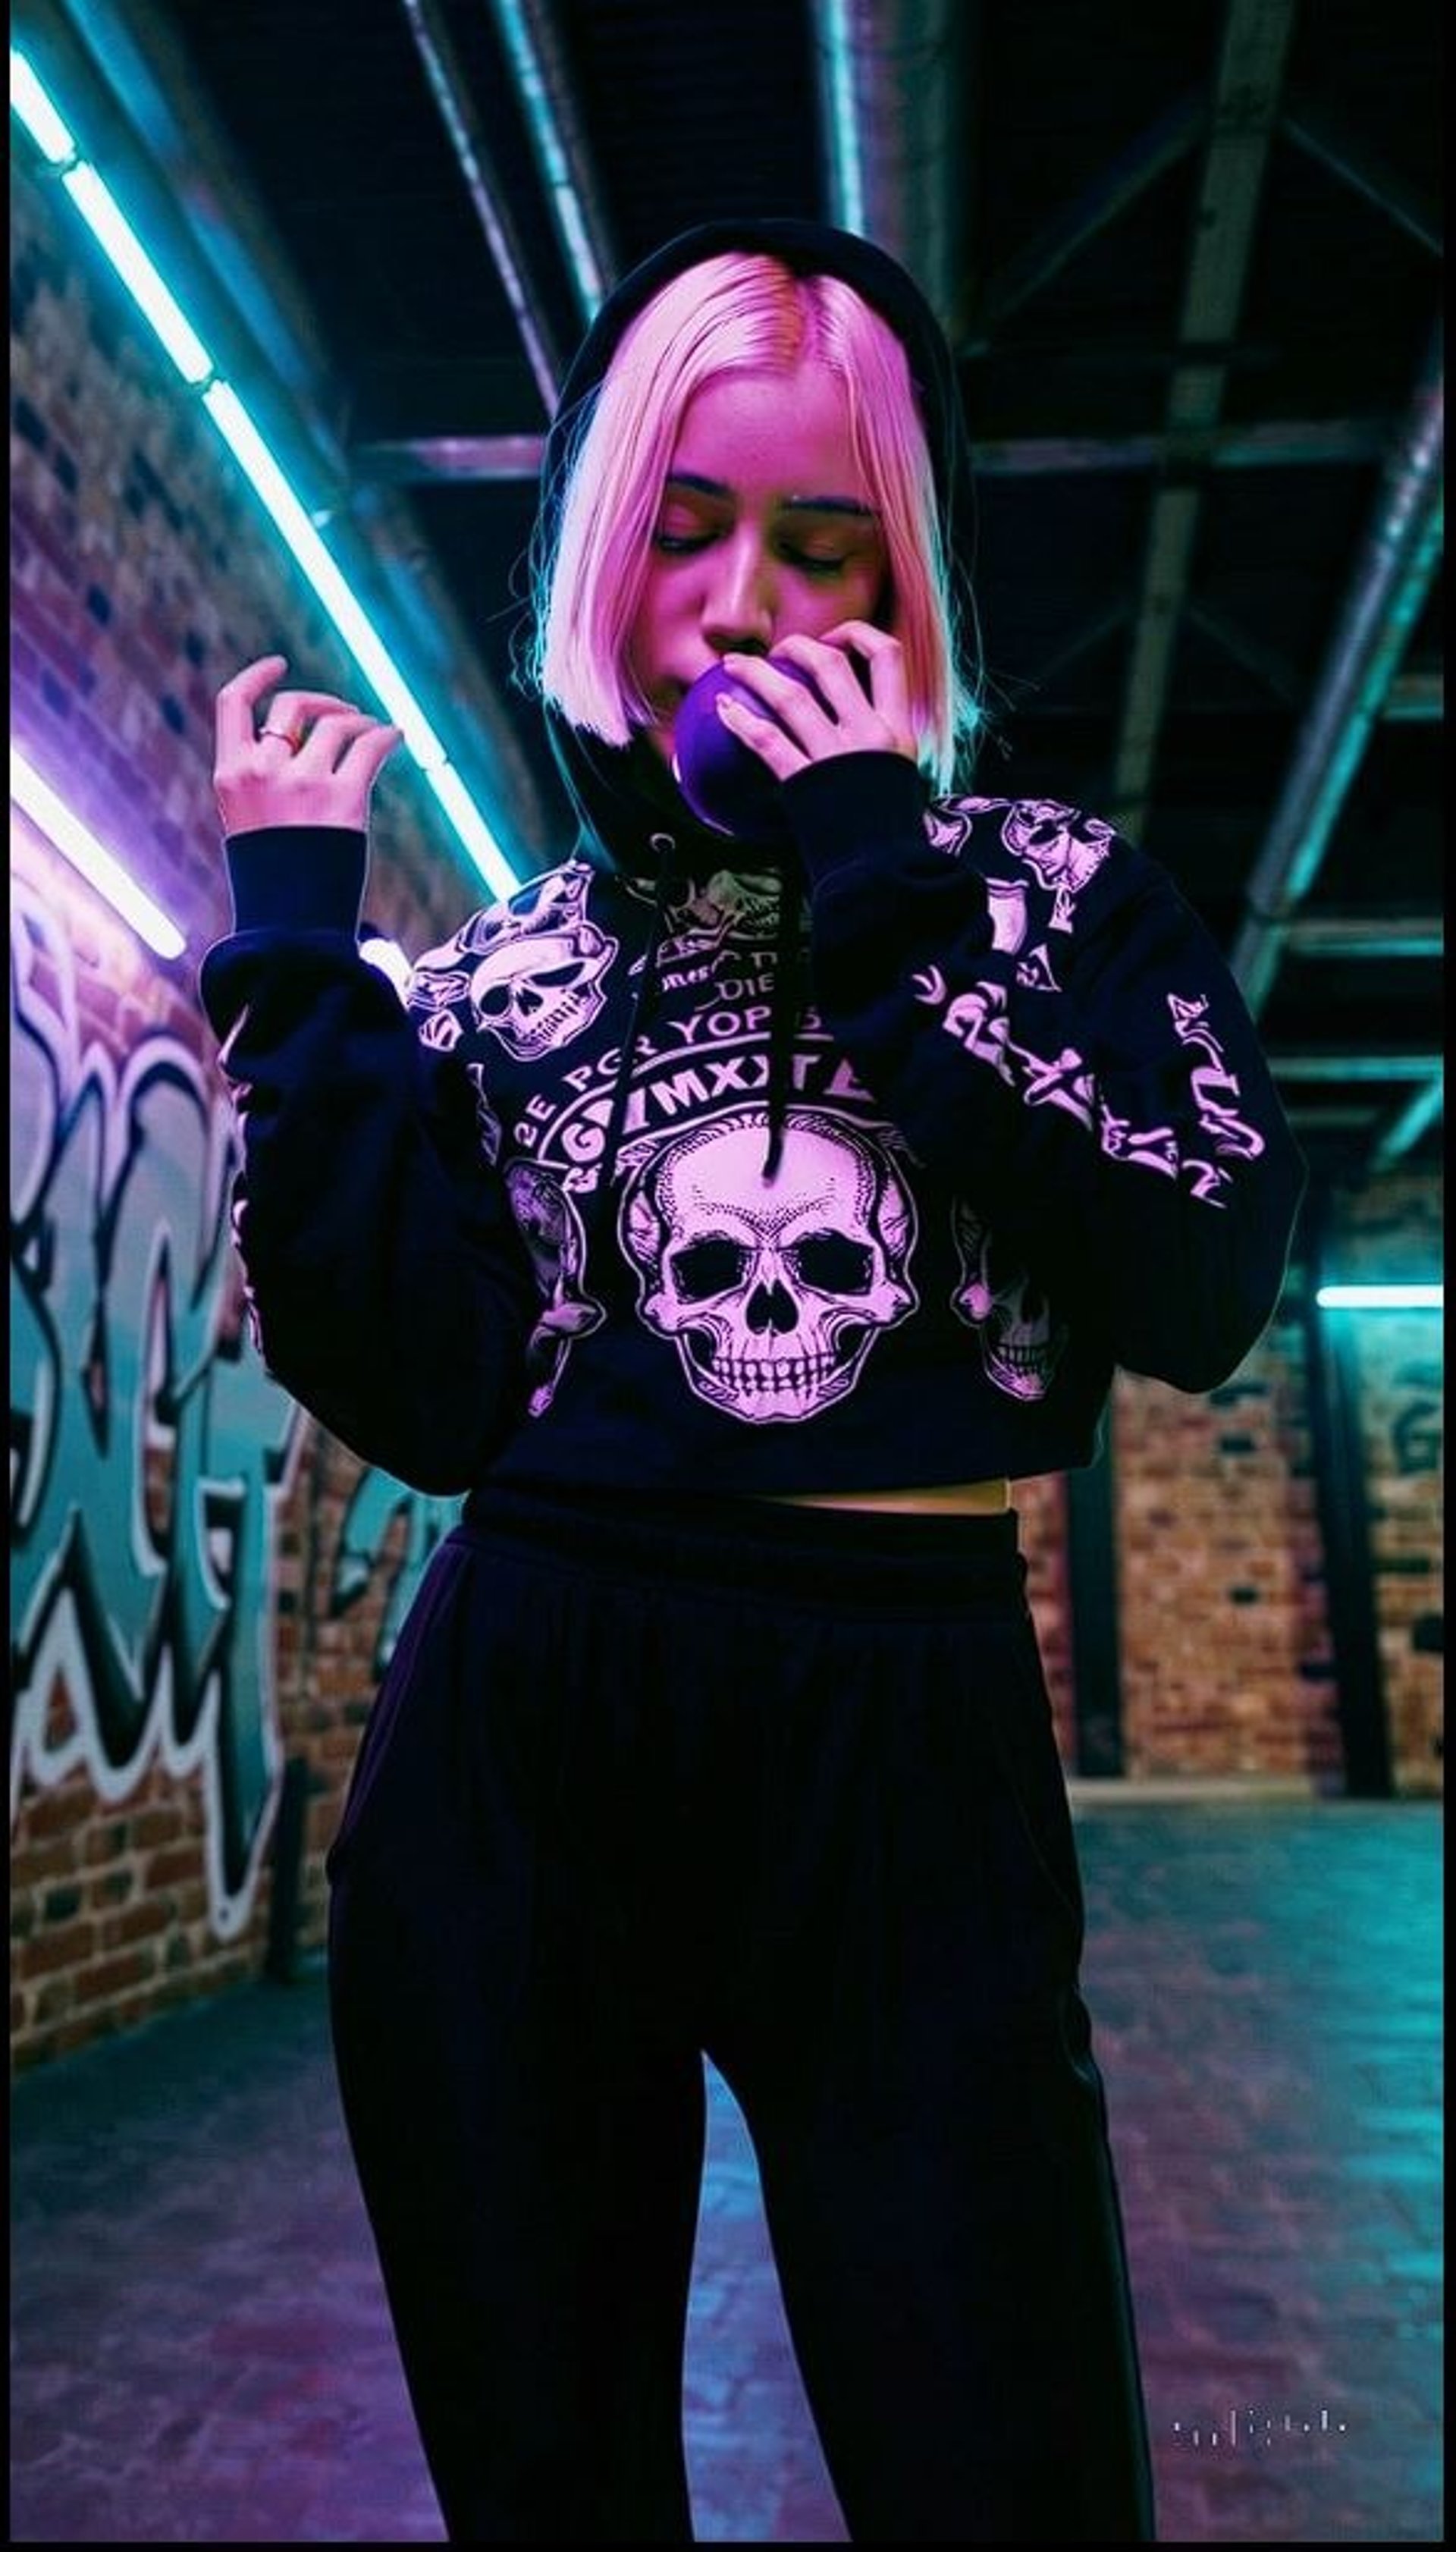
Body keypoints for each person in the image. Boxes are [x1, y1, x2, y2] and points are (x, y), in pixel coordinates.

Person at [202, 217, 1305, 2544]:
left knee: (996, 2460)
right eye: (686, 527)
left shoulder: (1051, 892)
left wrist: (886, 887)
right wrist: (301, 962)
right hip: (520, 1710)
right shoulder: (513, 960)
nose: (745, 601)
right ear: (602, 558)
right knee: (544, 2469)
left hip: (898, 1726)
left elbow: (1201, 1270)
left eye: (826, 546)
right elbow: (407, 1381)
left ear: (912, 585)